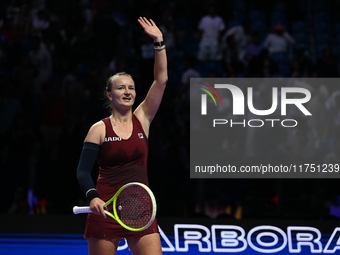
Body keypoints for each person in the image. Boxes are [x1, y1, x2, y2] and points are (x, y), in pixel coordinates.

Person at [76, 17, 167, 255]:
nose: (127, 92)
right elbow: (83, 171)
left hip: (140, 209)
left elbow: (161, 79)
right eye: (121, 88)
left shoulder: (143, 118)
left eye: (131, 88)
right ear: (109, 95)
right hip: (105, 209)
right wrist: (93, 197)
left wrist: (159, 42)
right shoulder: (99, 128)